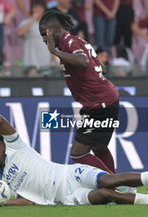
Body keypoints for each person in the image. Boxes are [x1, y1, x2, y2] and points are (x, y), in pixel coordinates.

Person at [0, 102, 148, 206]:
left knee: (110, 180)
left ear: (3, 144)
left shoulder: (16, 146)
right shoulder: (5, 179)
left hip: (69, 174)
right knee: (105, 194)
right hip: (66, 196)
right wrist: (0, 201)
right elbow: (29, 200)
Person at [39, 11, 119, 175]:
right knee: (98, 146)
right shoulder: (76, 41)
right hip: (106, 100)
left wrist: (55, 52)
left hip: (100, 104)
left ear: (57, 28)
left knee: (78, 153)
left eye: (45, 34)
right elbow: (101, 67)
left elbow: (83, 61)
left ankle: (113, 185)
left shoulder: (69, 43)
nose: (44, 39)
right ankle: (116, 184)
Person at [17, 0, 51, 68]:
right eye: (36, 7)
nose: (38, 10)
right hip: (30, 60)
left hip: (45, 59)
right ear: (32, 8)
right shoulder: (26, 22)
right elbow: (20, 33)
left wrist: (53, 57)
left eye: (40, 7)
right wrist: (33, 19)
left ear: (44, 9)